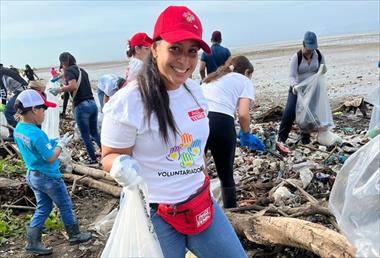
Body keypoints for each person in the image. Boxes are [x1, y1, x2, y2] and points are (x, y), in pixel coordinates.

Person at [101, 6, 247, 258]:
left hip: (200, 203)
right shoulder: (128, 102)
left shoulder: (196, 93)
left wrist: (198, 175)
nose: (184, 61)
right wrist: (120, 165)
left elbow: (197, 148)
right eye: (175, 48)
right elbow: (109, 155)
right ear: (155, 48)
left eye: (193, 52)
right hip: (156, 214)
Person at [13, 89, 91, 255]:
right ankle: (75, 235)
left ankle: (32, 242)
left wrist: (51, 142)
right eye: (44, 109)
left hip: (33, 175)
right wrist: (60, 145)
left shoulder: (19, 129)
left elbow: (34, 149)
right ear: (34, 109)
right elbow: (50, 157)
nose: (45, 113)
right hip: (48, 176)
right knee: (65, 205)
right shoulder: (37, 133)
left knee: (43, 207)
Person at [202, 56, 260, 208]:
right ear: (247, 71)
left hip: (198, 122)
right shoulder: (244, 81)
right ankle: (232, 212)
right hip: (221, 122)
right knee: (226, 175)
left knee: (199, 171)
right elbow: (243, 114)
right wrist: (246, 134)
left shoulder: (212, 78)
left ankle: (203, 209)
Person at [49, 52, 101, 166]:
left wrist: (59, 90)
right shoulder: (82, 71)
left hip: (82, 106)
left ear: (63, 62)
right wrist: (59, 78)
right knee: (95, 132)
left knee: (85, 135)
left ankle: (93, 160)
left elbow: (73, 86)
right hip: (92, 104)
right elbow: (71, 81)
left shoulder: (68, 71)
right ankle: (106, 153)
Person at [278, 31, 325, 145]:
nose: (310, 51)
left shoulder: (318, 55)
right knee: (289, 113)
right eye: (308, 48)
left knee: (308, 114)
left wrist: (321, 71)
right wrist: (294, 86)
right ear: (303, 44)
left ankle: (305, 138)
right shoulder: (297, 57)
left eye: (312, 48)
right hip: (297, 90)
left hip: (312, 90)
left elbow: (322, 69)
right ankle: (281, 139)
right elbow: (291, 76)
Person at [0, 66, 28, 140]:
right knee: (14, 112)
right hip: (22, 90)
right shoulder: (3, 70)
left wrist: (2, 105)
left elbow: (3, 92)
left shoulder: (1, 72)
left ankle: (18, 133)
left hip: (22, 91)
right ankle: (15, 133)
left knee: (7, 111)